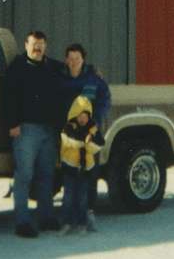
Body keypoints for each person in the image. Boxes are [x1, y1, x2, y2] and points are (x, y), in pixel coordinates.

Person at [1, 30, 63, 238]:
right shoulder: (17, 68)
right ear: (26, 45)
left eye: (41, 44)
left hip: (49, 130)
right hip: (26, 130)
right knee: (25, 175)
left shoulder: (53, 67)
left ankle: (46, 217)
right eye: (34, 44)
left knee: (47, 176)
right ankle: (22, 222)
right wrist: (12, 124)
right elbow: (7, 96)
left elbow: (76, 69)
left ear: (45, 46)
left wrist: (94, 71)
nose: (38, 47)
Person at [61, 42, 110, 230]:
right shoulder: (61, 80)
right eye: (71, 58)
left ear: (83, 60)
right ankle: (69, 219)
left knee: (90, 174)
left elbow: (105, 99)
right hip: (69, 136)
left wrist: (95, 121)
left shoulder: (94, 80)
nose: (74, 62)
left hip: (90, 134)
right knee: (70, 175)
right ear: (66, 60)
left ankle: (89, 214)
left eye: (77, 58)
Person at [58, 95, 104, 234]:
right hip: (70, 167)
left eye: (86, 116)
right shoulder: (68, 128)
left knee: (82, 197)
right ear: (74, 115)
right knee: (68, 197)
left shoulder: (93, 130)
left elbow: (99, 144)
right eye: (80, 115)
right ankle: (66, 223)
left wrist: (90, 142)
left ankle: (82, 223)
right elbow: (66, 142)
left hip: (84, 169)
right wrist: (82, 143)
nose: (83, 118)